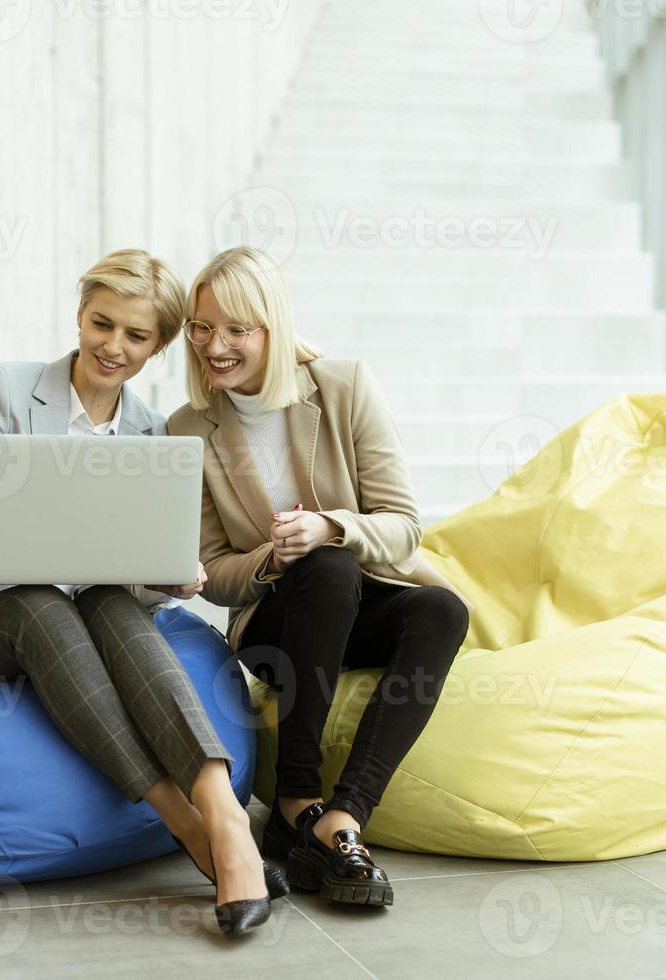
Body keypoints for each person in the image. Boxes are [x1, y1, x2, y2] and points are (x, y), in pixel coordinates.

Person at [0, 249, 279, 935]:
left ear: (158, 346)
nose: (113, 346)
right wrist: (33, 545)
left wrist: (166, 576)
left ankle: (220, 814)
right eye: (103, 324)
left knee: (109, 600)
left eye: (135, 336)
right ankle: (183, 822)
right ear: (79, 316)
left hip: (82, 618)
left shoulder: (149, 433)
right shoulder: (5, 390)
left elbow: (131, 578)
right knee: (46, 601)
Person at [167, 246, 472, 909]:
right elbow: (215, 574)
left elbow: (403, 525)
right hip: (273, 624)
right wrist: (272, 560)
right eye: (200, 326)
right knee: (323, 570)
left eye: (234, 330)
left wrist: (332, 526)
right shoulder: (188, 429)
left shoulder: (344, 386)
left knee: (442, 611)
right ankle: (295, 796)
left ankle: (343, 816)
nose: (212, 345)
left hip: (354, 595)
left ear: (271, 329)